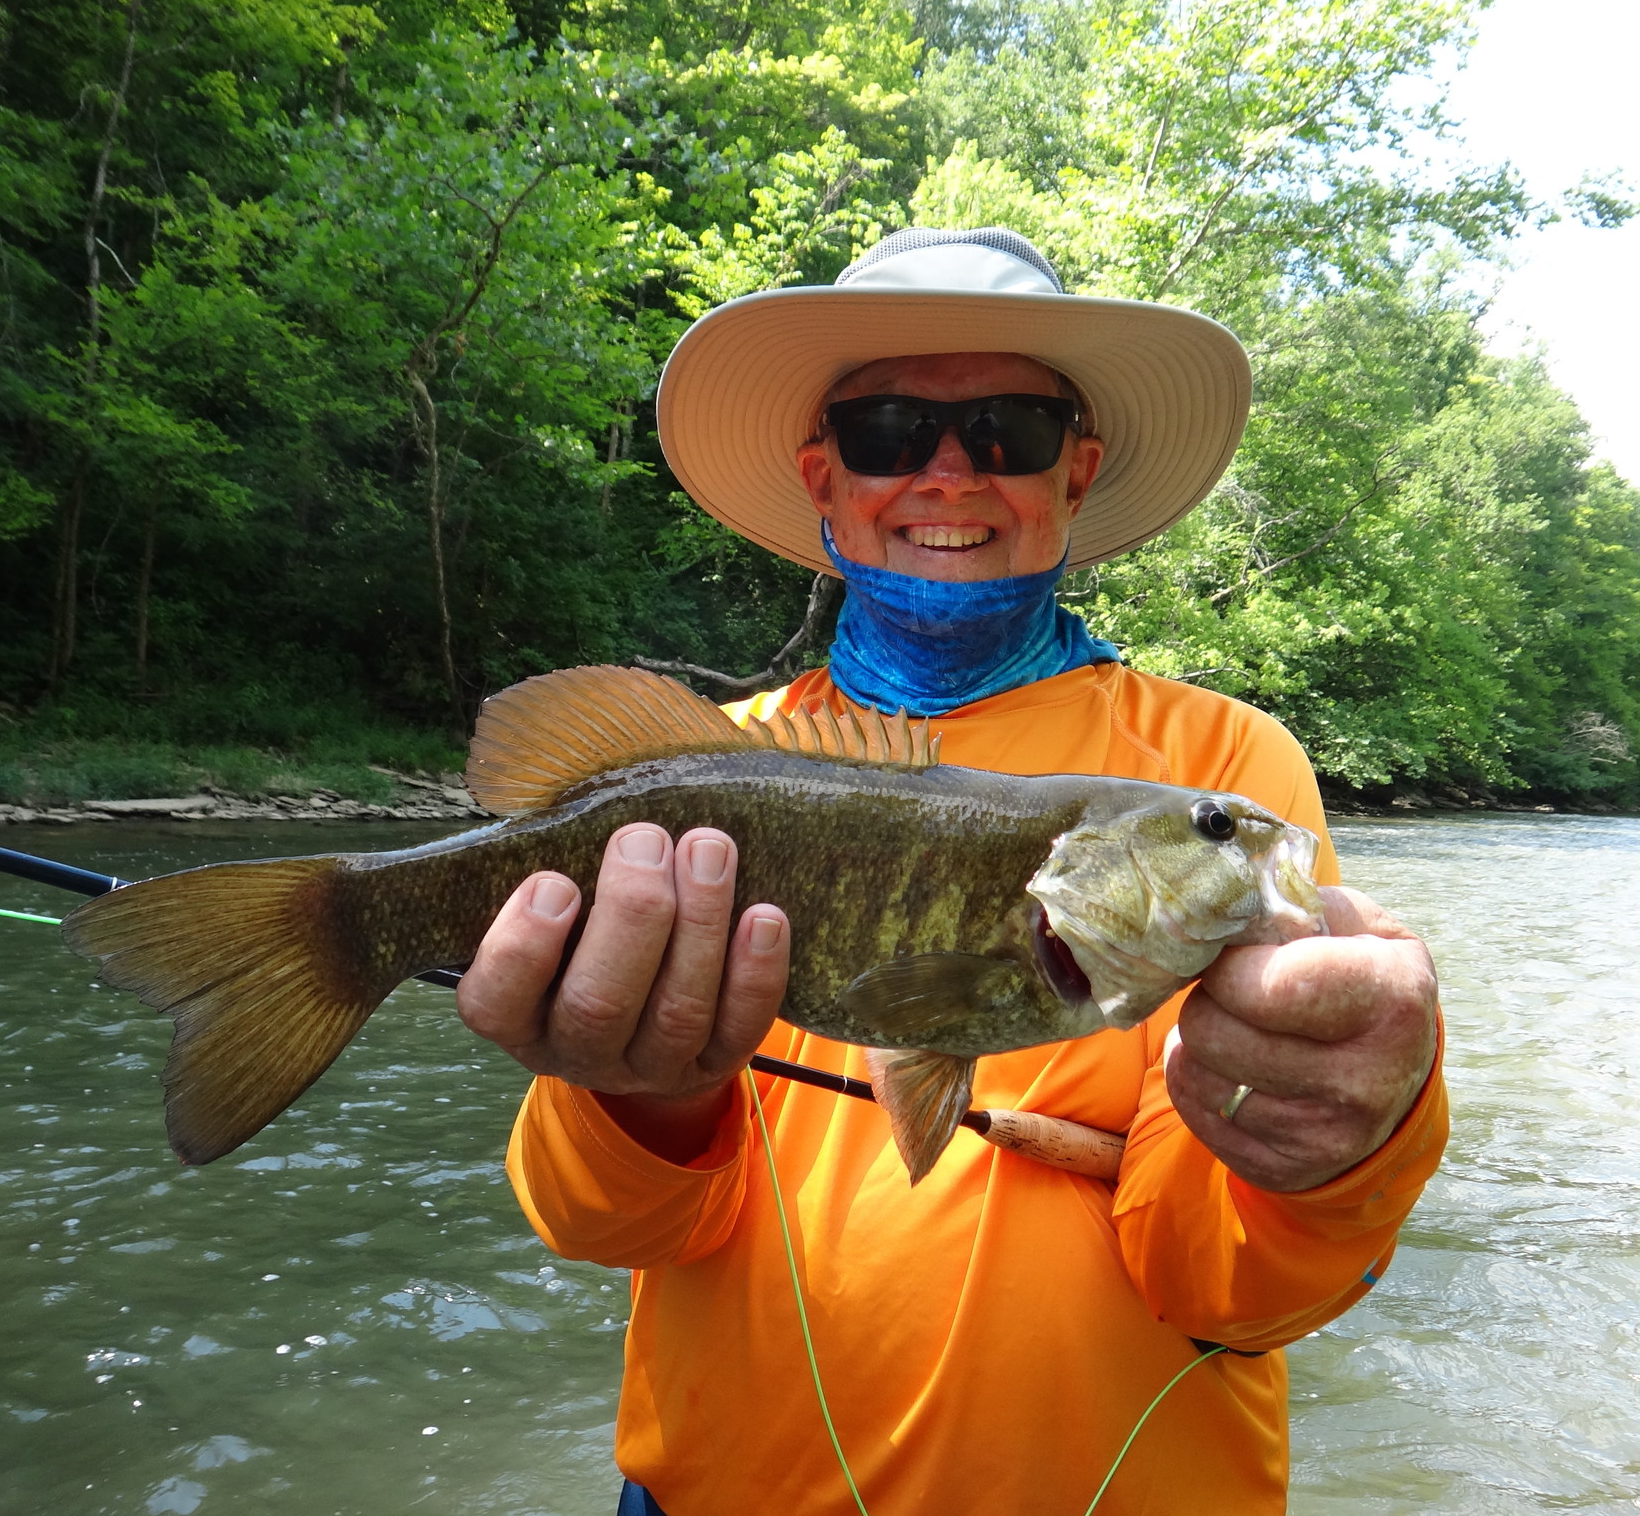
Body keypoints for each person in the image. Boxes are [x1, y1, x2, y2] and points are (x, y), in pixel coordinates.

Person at [454, 228, 1445, 1515]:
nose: (945, 471)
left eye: (1006, 429)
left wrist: (1334, 1149)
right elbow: (604, 1230)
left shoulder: (1221, 769)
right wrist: (641, 1095)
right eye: (886, 429)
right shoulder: (708, 770)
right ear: (822, 475)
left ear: (1074, 471)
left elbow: (1234, 1292)